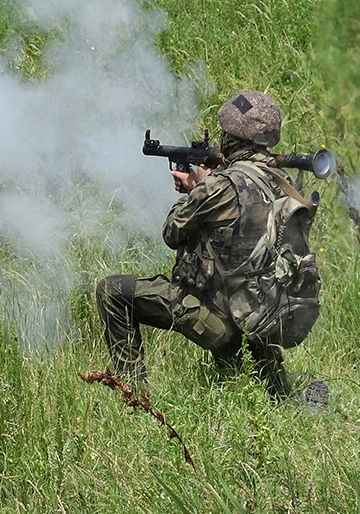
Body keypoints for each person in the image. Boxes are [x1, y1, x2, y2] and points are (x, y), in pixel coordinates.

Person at [95, 90, 312, 399]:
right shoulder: (285, 181)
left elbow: (172, 233)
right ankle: (275, 391)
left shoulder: (220, 187)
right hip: (268, 321)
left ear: (234, 137)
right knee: (259, 399)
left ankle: (135, 398)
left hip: (222, 324)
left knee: (111, 291)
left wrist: (194, 190)